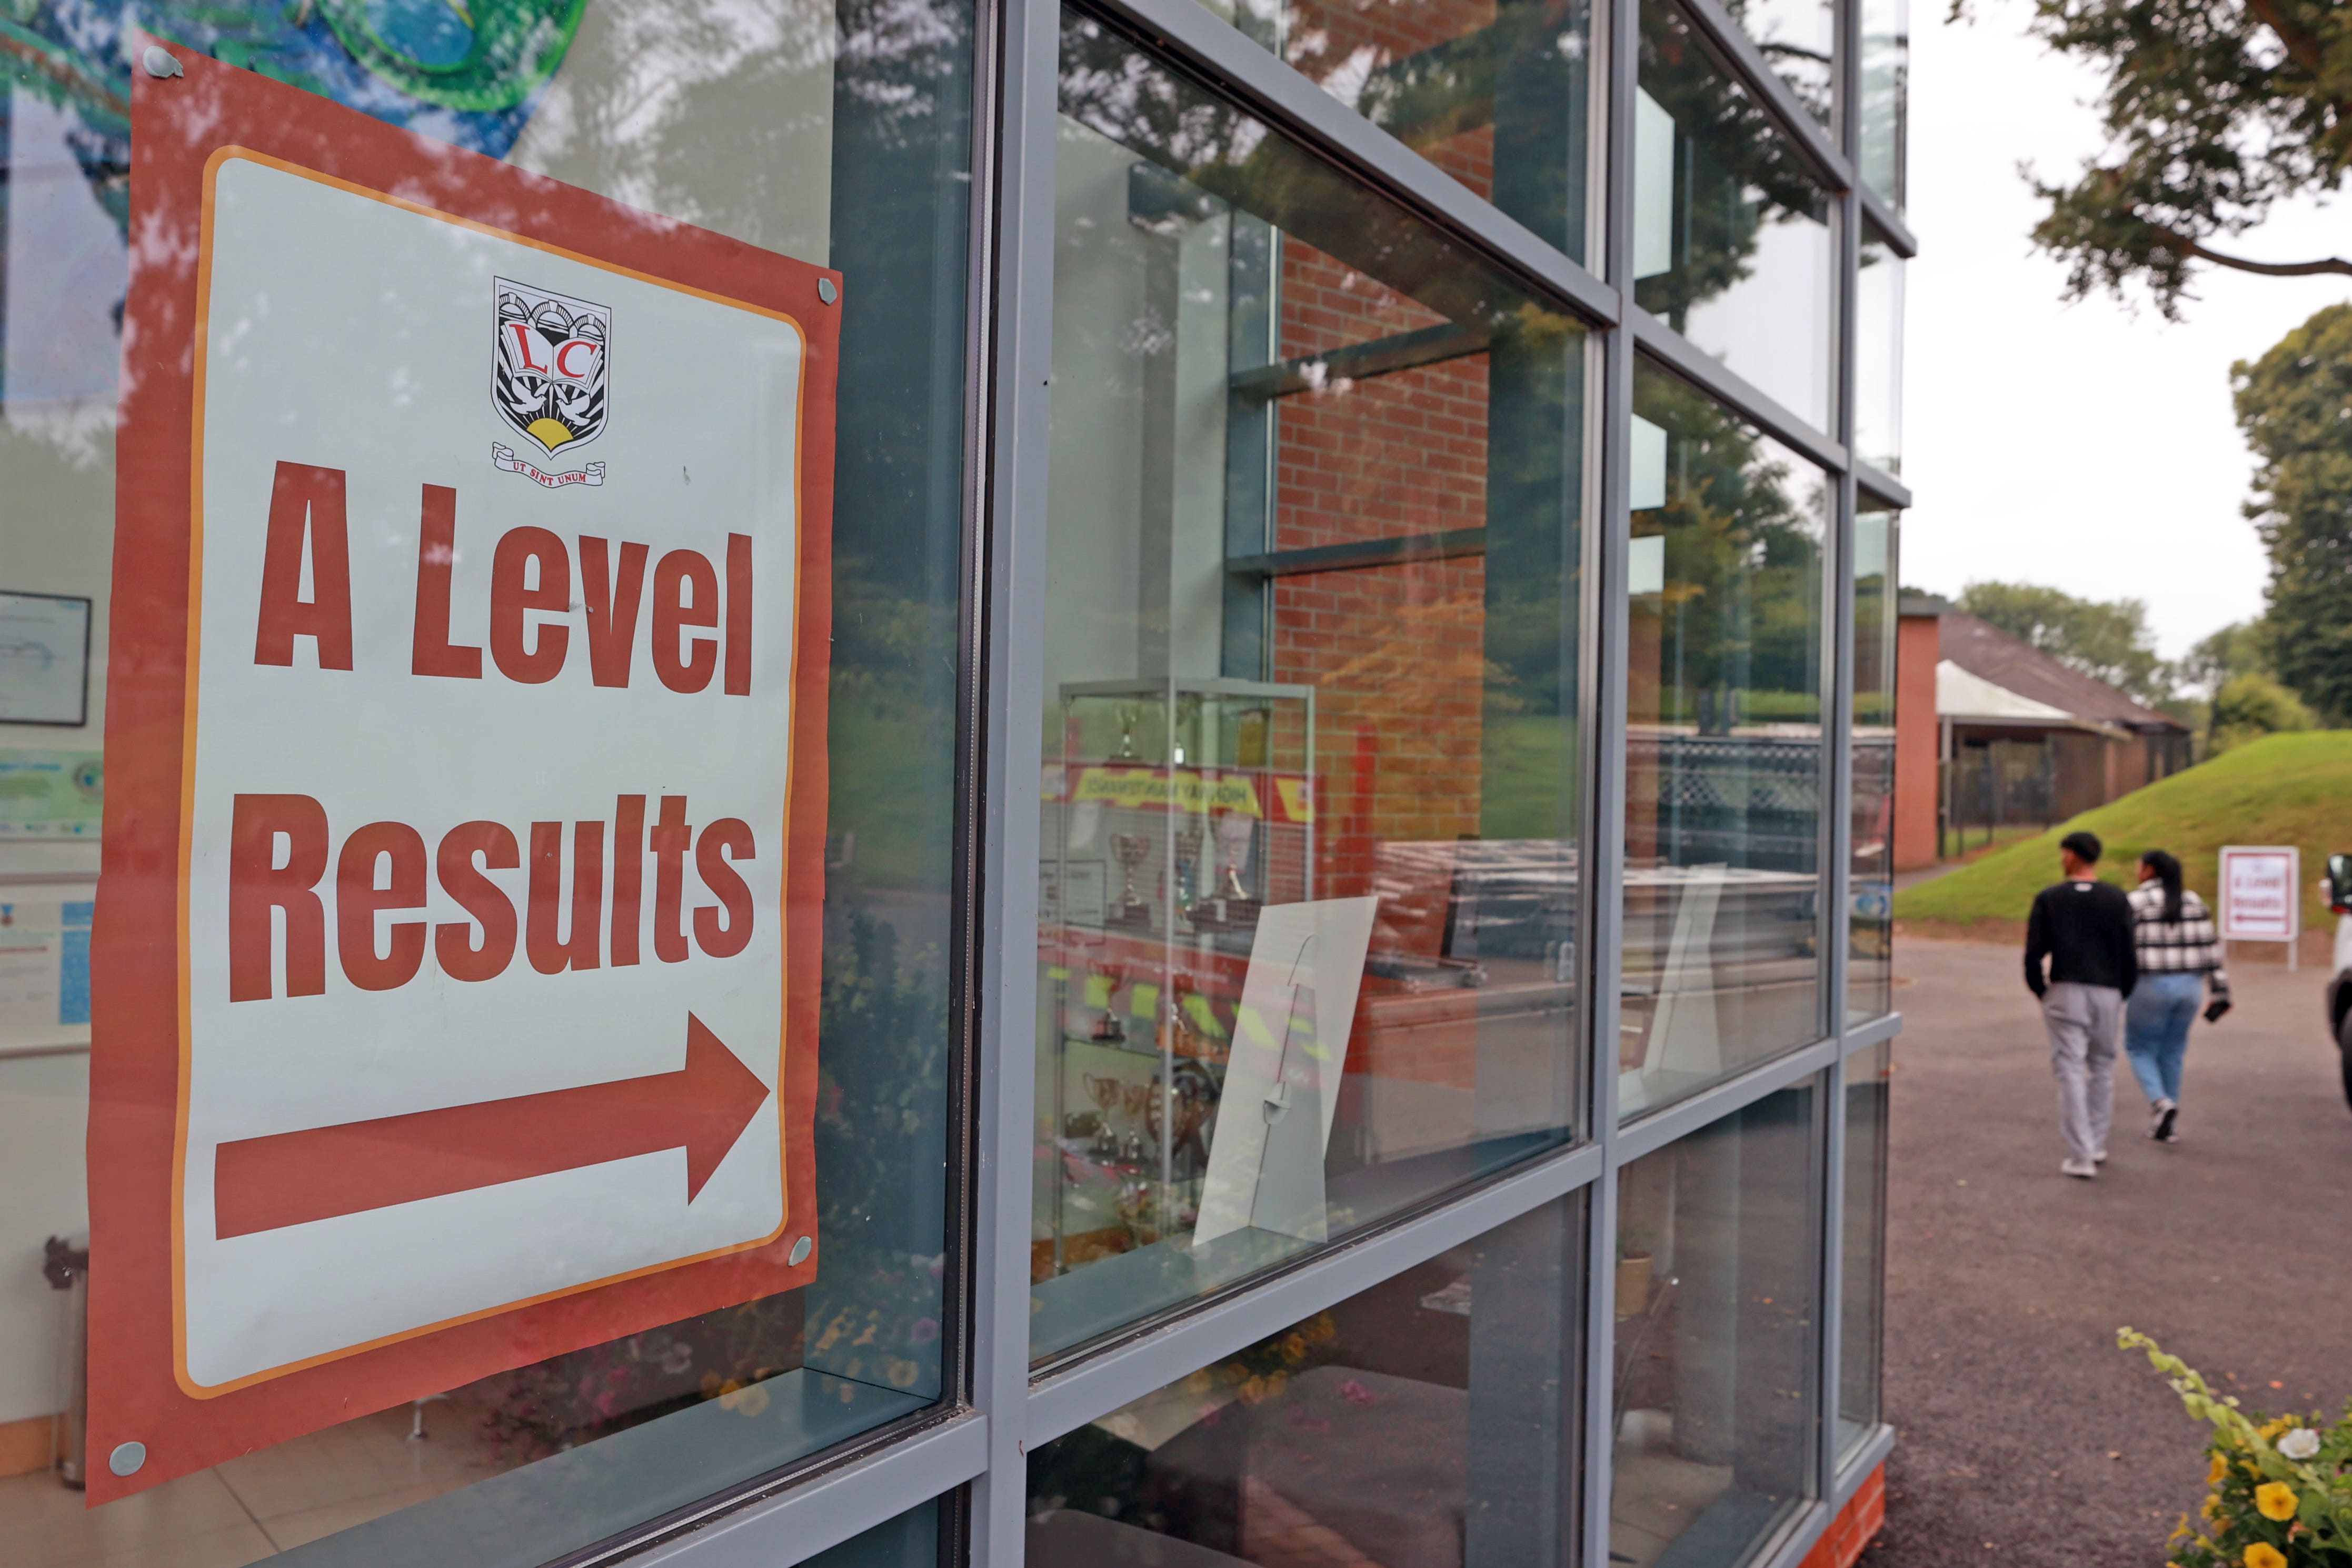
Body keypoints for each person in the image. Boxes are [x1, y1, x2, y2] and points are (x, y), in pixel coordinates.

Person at [2024, 830, 2138, 1179]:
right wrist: (2123, 990)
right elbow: (2129, 953)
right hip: (2108, 991)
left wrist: (2041, 990)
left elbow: (2034, 953)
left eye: (2064, 854)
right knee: (2103, 1065)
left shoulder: (2050, 898)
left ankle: (2081, 1152)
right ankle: (2097, 1142)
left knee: (2070, 1069)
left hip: (2065, 989)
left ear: (2072, 855)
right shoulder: (2117, 898)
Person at [2125, 848, 2230, 1143]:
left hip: (2149, 986)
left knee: (2139, 1048)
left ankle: (2161, 1103)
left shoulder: (2134, 903)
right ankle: (2168, 1124)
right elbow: (2212, 950)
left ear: (2148, 870)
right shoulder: (2195, 901)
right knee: (2173, 1052)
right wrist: (2221, 991)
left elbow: (2120, 947)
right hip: (2190, 987)